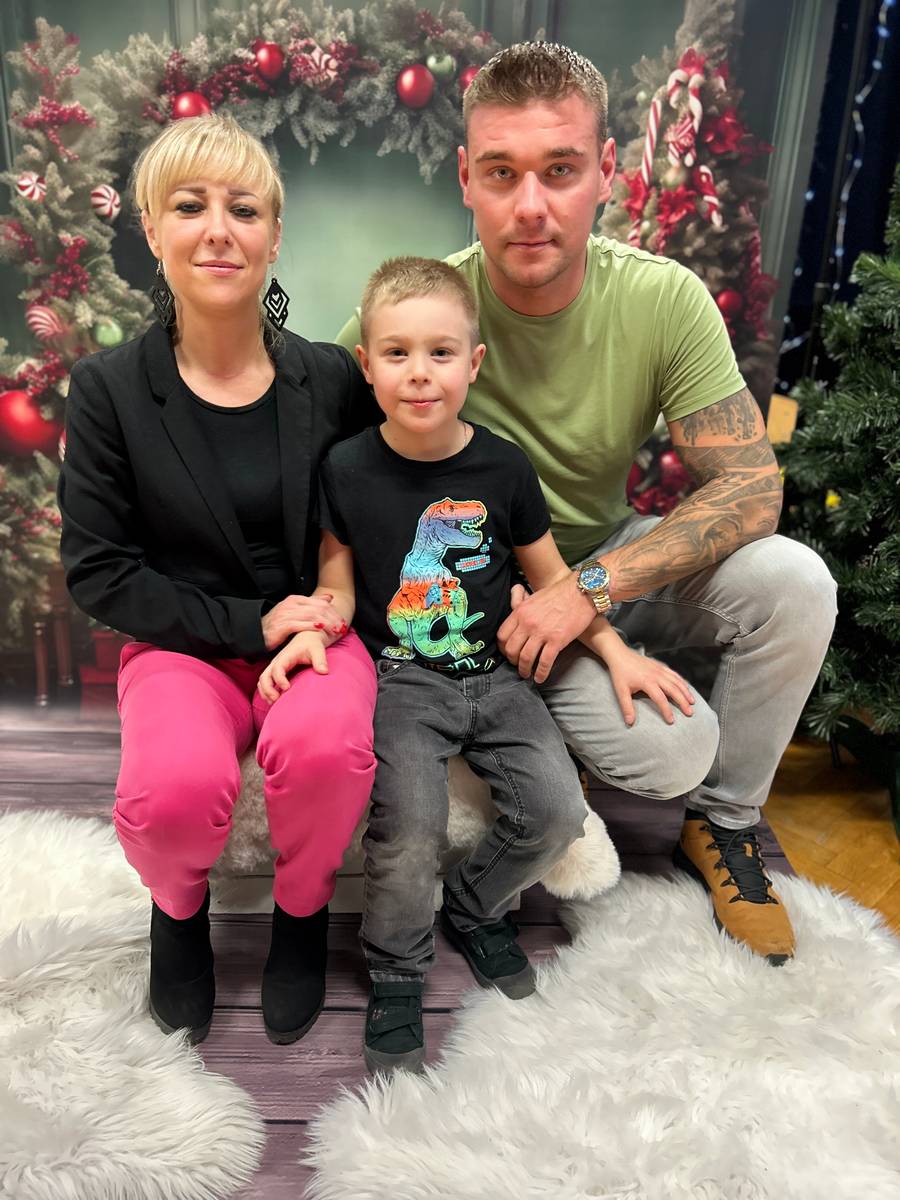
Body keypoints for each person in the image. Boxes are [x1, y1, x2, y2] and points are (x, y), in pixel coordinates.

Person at [336, 43, 838, 967]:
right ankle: (507, 748)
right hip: (477, 602)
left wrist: (587, 591)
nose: (531, 205)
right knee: (667, 750)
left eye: (560, 170)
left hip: (600, 563)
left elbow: (752, 485)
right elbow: (311, 460)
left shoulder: (662, 298)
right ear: (467, 179)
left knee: (796, 582)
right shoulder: (423, 314)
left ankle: (725, 825)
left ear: (607, 171)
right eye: (502, 173)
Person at [258, 256, 695, 1073]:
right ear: (367, 364)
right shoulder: (345, 468)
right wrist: (316, 625)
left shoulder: (503, 466)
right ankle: (397, 969)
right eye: (397, 353)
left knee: (556, 812)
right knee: (410, 828)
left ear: (474, 362)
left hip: (496, 676)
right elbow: (336, 583)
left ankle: (473, 903)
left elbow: (552, 577)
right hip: (402, 680)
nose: (419, 373)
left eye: (440, 352)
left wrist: (613, 649)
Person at [57, 115, 381, 1046]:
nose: (217, 231)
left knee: (325, 749)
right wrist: (250, 624)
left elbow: (367, 521)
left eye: (243, 209)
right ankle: (178, 917)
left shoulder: (331, 379)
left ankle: (302, 916)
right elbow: (100, 571)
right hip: (183, 643)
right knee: (170, 790)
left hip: (316, 635)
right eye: (189, 207)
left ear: (274, 236)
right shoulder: (110, 390)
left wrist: (322, 617)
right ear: (153, 231)